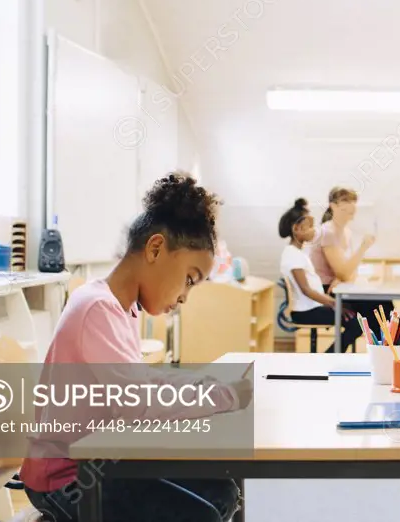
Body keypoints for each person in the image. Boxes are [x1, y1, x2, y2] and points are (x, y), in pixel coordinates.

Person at [21, 172, 252, 522]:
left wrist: (210, 386)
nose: (185, 297)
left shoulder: (121, 307)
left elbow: (141, 384)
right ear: (156, 248)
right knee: (202, 513)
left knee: (224, 491)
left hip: (100, 462)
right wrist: (227, 395)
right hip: (67, 479)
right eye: (189, 279)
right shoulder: (97, 308)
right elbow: (138, 403)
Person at [278, 198, 362, 352]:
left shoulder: (298, 253)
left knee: (356, 316)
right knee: (356, 323)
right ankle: (328, 358)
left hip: (312, 308)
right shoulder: (292, 255)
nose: (313, 230)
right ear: (297, 229)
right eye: (309, 227)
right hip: (306, 313)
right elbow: (306, 290)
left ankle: (330, 356)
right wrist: (333, 303)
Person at [309, 186, 390, 329]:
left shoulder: (346, 232)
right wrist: (363, 247)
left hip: (339, 287)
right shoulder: (328, 232)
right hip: (324, 291)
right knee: (379, 308)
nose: (351, 205)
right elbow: (345, 272)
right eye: (345, 201)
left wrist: (341, 278)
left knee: (383, 306)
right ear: (333, 206)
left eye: (353, 201)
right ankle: (397, 348)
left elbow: (350, 272)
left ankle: (394, 347)